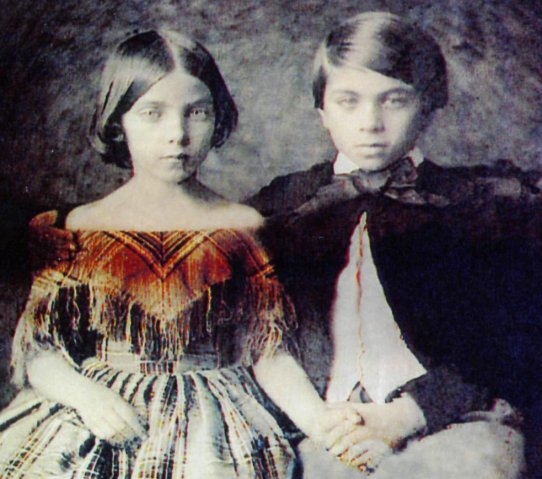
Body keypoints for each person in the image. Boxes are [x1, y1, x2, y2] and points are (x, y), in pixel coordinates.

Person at [0, 29, 371, 478]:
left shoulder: (240, 228)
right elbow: (40, 353)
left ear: (217, 120)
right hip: (102, 414)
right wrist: (88, 399)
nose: (177, 134)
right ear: (118, 123)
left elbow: (269, 354)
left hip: (212, 421)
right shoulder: (79, 230)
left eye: (196, 113)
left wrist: (320, 423)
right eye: (152, 113)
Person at [248, 12, 540, 478]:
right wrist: (325, 424)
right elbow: (255, 335)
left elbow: (509, 342)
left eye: (394, 100)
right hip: (329, 425)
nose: (371, 122)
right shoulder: (283, 208)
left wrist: (407, 414)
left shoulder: (482, 206)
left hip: (455, 422)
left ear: (428, 106)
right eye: (348, 101)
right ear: (322, 111)